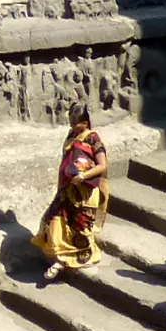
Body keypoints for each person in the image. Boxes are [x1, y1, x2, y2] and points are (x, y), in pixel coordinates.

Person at [34, 107, 110, 283]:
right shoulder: (70, 135)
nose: (73, 126)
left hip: (84, 191)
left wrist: (83, 176)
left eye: (76, 123)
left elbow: (102, 165)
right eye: (71, 123)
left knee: (80, 229)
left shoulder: (93, 138)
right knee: (52, 220)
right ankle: (57, 256)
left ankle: (64, 261)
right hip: (67, 188)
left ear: (85, 122)